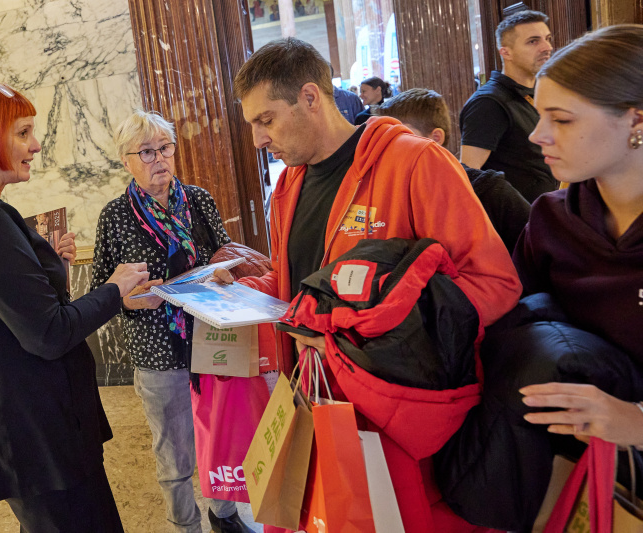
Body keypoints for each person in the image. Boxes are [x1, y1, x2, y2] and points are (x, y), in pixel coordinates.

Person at [232, 37, 521, 532]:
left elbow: (493, 284)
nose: (259, 139)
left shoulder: (414, 163)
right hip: (319, 406)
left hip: (399, 420)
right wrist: (244, 285)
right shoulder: (288, 185)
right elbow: (305, 287)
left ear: (309, 97)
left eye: (266, 120)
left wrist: (364, 332)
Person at [0, 80, 150, 532]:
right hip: (34, 432)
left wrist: (52, 267)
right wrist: (115, 288)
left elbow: (14, 311)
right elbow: (48, 333)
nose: (37, 145)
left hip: (32, 425)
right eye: (23, 132)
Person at [90, 110, 254, 533]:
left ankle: (224, 513)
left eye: (165, 147)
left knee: (218, 437)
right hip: (157, 350)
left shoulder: (198, 200)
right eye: (146, 151)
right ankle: (185, 526)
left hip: (212, 341)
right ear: (126, 160)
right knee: (174, 453)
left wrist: (224, 274)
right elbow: (102, 293)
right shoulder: (115, 217)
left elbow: (224, 257)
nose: (159, 158)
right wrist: (131, 300)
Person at [510, 24, 643, 445]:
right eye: (539, 115)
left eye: (562, 120)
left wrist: (636, 422)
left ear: (636, 119)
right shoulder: (551, 218)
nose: (537, 136)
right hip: (572, 474)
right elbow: (515, 324)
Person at [374, 88, 530, 253]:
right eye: (381, 137)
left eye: (400, 136)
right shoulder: (384, 193)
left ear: (436, 138)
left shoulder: (486, 190)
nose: (387, 146)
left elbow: (539, 252)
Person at [459, 10, 557, 203]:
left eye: (547, 38)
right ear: (506, 52)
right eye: (533, 41)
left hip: (544, 214)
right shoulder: (488, 103)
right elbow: (468, 176)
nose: (547, 47)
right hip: (515, 225)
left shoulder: (540, 92)